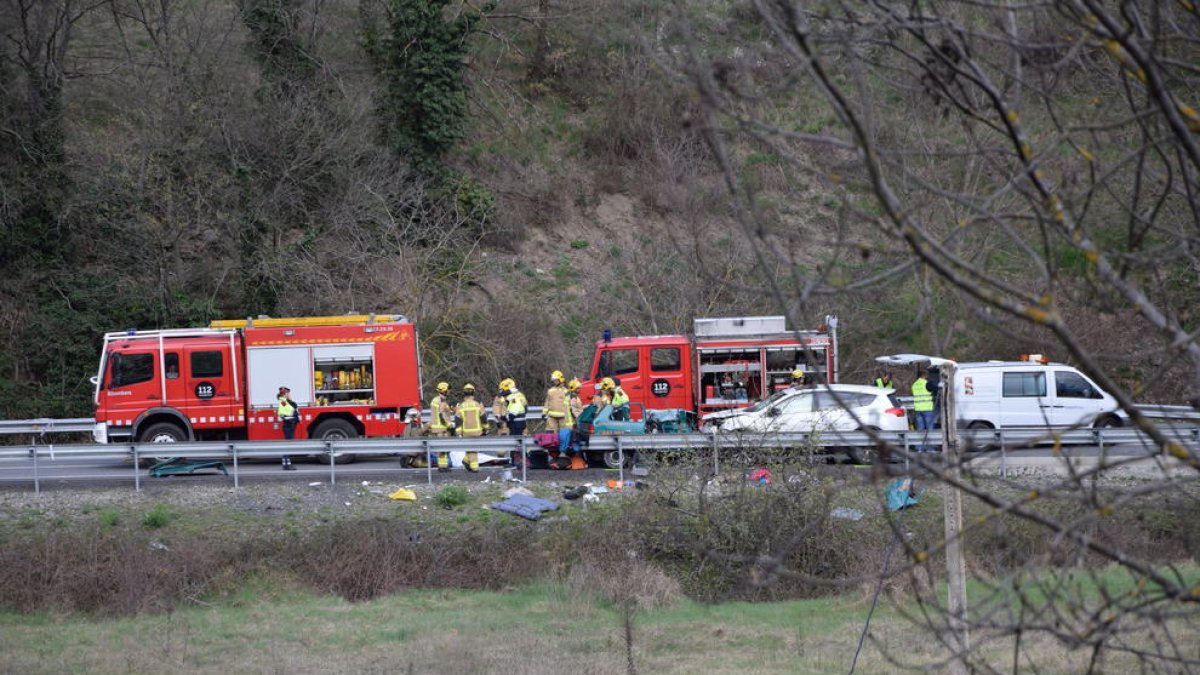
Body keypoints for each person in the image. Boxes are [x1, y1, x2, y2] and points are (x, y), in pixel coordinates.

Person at [455, 384, 484, 472]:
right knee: (473, 450)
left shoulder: (461, 406)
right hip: (477, 431)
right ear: (473, 393)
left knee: (470, 449)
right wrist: (486, 429)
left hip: (466, 432)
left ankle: (466, 461)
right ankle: (474, 468)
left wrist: (459, 433)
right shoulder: (478, 405)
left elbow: (457, 421)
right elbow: (484, 418)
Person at [430, 381, 455, 471]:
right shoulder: (441, 401)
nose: (449, 392)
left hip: (437, 428)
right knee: (443, 449)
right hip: (441, 428)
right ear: (444, 390)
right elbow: (442, 414)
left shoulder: (435, 400)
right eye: (448, 390)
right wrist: (449, 425)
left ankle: (443, 466)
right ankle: (443, 467)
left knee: (441, 449)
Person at [912, 367, 936, 453]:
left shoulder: (914, 384)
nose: (928, 376)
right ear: (924, 375)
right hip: (927, 409)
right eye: (927, 374)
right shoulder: (927, 383)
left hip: (918, 409)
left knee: (920, 430)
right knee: (930, 430)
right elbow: (936, 389)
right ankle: (930, 448)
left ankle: (919, 448)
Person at [277, 386, 299, 470]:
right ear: (285, 394)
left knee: (288, 445)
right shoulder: (283, 402)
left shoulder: (285, 401)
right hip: (288, 425)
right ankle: (286, 464)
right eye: (288, 393)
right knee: (288, 445)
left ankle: (287, 463)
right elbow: (290, 412)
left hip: (290, 425)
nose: (289, 395)